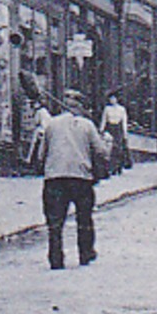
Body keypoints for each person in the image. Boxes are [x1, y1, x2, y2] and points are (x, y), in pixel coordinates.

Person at [34, 88, 112, 270]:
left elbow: (40, 155)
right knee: (84, 218)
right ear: (81, 106)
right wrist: (108, 142)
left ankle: (56, 258)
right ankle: (85, 254)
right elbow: (102, 152)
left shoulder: (51, 125)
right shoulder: (87, 125)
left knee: (54, 222)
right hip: (81, 178)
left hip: (54, 178)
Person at [101, 92, 132, 173]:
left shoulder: (121, 109)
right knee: (110, 148)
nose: (112, 100)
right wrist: (101, 130)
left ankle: (119, 166)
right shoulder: (107, 109)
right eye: (111, 99)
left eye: (114, 99)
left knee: (118, 148)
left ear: (117, 99)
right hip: (110, 128)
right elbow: (104, 119)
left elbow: (124, 121)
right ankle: (112, 167)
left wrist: (125, 133)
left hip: (118, 128)